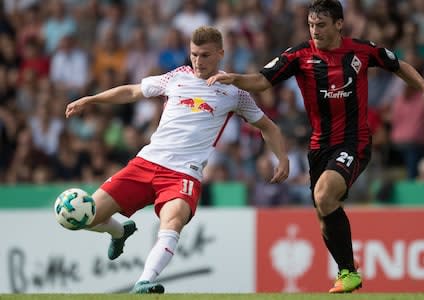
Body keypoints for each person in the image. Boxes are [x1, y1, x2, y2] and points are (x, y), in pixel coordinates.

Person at [207, 0, 424, 293]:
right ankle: (347, 272)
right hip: (320, 146)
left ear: (339, 24)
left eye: (321, 25)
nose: (315, 30)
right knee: (323, 208)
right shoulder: (299, 55)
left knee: (323, 194)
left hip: (354, 141)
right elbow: (262, 81)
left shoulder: (361, 50)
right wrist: (235, 78)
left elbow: (399, 65)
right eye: (311, 25)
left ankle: (348, 271)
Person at [65, 26, 289, 294]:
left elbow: (269, 127)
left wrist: (283, 159)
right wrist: (91, 100)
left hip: (183, 174)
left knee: (172, 223)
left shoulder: (235, 94)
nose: (198, 61)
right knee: (85, 218)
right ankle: (118, 232)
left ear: (220, 54)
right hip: (145, 163)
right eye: (194, 54)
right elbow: (133, 91)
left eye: (205, 55)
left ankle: (144, 281)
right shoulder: (176, 77)